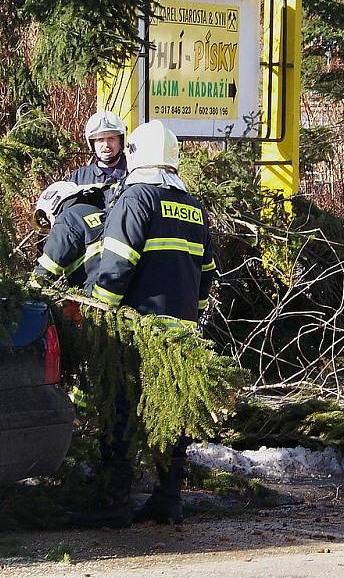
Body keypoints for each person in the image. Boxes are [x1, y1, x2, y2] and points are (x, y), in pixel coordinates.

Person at [72, 120, 215, 528]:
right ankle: (168, 498)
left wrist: (99, 314)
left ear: (134, 154)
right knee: (173, 412)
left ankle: (114, 502)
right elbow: (206, 272)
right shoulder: (192, 204)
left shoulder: (136, 199)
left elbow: (116, 264)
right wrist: (193, 314)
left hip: (138, 329)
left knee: (121, 411)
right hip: (182, 331)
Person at [29, 181, 106, 290]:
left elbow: (46, 269)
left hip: (95, 292)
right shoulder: (98, 213)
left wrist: (26, 294)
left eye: (47, 218)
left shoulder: (69, 217)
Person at [67, 110, 128, 209]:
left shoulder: (133, 173)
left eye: (111, 138)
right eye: (100, 140)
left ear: (121, 141)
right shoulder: (78, 178)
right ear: (92, 144)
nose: (106, 145)